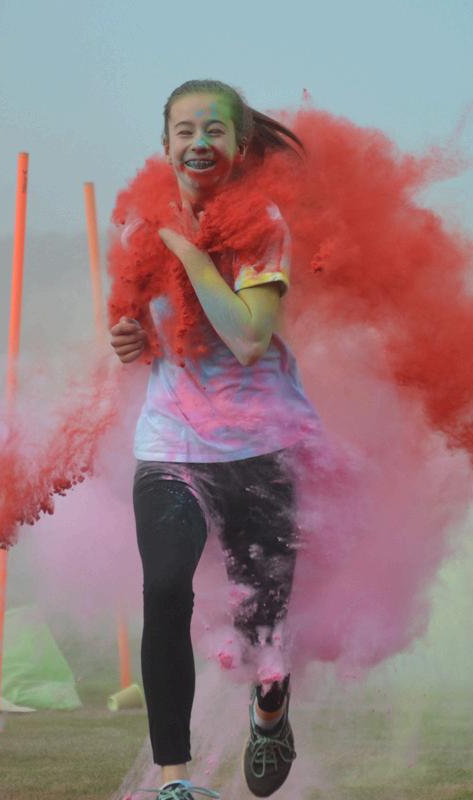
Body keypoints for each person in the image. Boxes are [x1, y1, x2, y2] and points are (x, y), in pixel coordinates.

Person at [108, 80, 319, 800]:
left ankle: (271, 713)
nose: (199, 143)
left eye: (214, 130)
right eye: (185, 131)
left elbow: (250, 337)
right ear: (166, 145)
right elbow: (147, 331)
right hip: (171, 448)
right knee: (166, 590)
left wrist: (186, 249)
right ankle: (176, 781)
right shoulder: (142, 227)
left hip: (260, 451)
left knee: (266, 629)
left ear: (239, 144)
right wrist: (129, 337)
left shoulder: (262, 224)